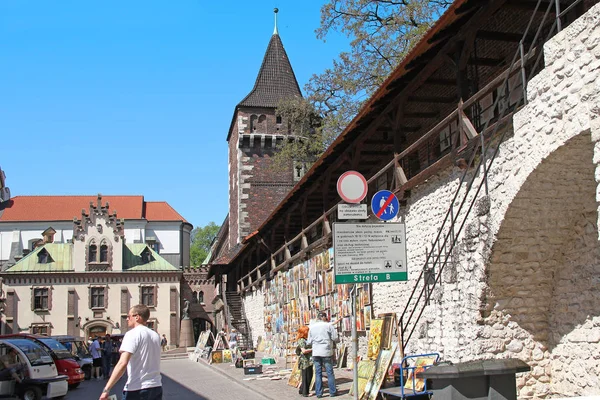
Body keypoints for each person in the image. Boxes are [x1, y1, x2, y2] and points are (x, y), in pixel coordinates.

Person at [100, 304, 162, 400]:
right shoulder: (155, 335)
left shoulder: (132, 334)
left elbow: (122, 363)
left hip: (137, 388)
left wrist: (106, 389)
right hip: (156, 386)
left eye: (128, 316)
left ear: (137, 317)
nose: (127, 319)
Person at [307, 311, 338, 398]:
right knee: (329, 372)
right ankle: (332, 392)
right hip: (326, 351)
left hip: (316, 351)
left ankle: (319, 393)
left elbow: (309, 341)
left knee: (318, 372)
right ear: (324, 317)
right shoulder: (328, 326)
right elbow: (335, 337)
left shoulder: (312, 327)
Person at [296, 326, 313, 397]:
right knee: (307, 376)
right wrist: (312, 349)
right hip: (305, 361)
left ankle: (302, 389)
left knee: (308, 375)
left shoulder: (304, 340)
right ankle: (305, 392)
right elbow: (304, 351)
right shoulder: (301, 340)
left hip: (308, 360)